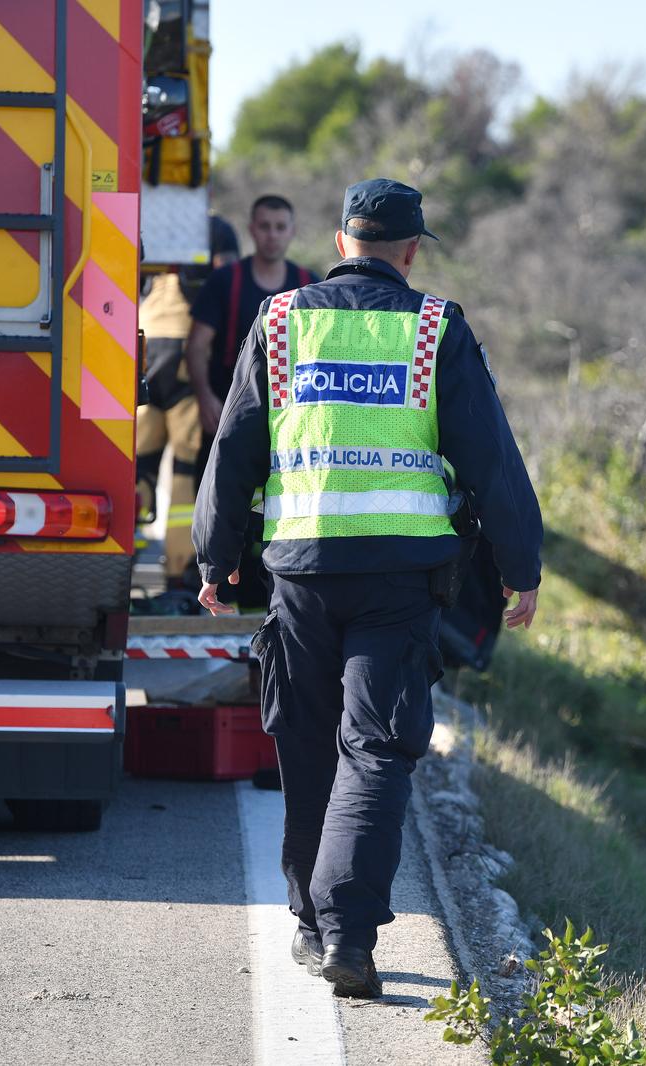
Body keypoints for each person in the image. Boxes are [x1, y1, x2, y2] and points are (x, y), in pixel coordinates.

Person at [191, 178, 543, 999]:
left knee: (309, 744)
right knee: (377, 748)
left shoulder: (282, 320)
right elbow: (490, 459)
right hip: (398, 578)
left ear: (340, 241)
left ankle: (315, 927)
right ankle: (348, 933)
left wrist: (215, 557)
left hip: (301, 573)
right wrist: (519, 568)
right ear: (412, 251)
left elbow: (235, 440)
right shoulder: (434, 329)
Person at [185, 195, 314, 605]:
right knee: (220, 504)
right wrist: (204, 397)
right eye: (264, 226)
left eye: (281, 226)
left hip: (287, 429)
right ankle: (213, 590)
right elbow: (197, 345)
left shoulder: (310, 286)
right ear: (251, 230)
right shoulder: (226, 282)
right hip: (227, 419)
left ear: (292, 231)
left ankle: (272, 602)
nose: (272, 235)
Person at [135, 215, 241, 583]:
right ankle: (180, 572)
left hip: (144, 347)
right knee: (185, 469)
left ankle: (123, 560)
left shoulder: (151, 223)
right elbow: (228, 281)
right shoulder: (216, 230)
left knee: (141, 463)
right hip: (184, 351)